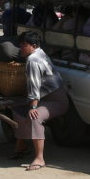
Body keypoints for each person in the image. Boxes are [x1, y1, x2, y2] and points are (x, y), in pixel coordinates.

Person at [11, 31, 69, 171]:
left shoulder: (33, 60)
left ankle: (39, 158)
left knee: (34, 117)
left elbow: (34, 86)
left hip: (55, 100)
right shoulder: (39, 52)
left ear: (34, 46)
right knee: (16, 109)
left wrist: (33, 106)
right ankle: (22, 146)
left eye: (24, 45)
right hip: (48, 98)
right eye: (21, 45)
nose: (21, 48)